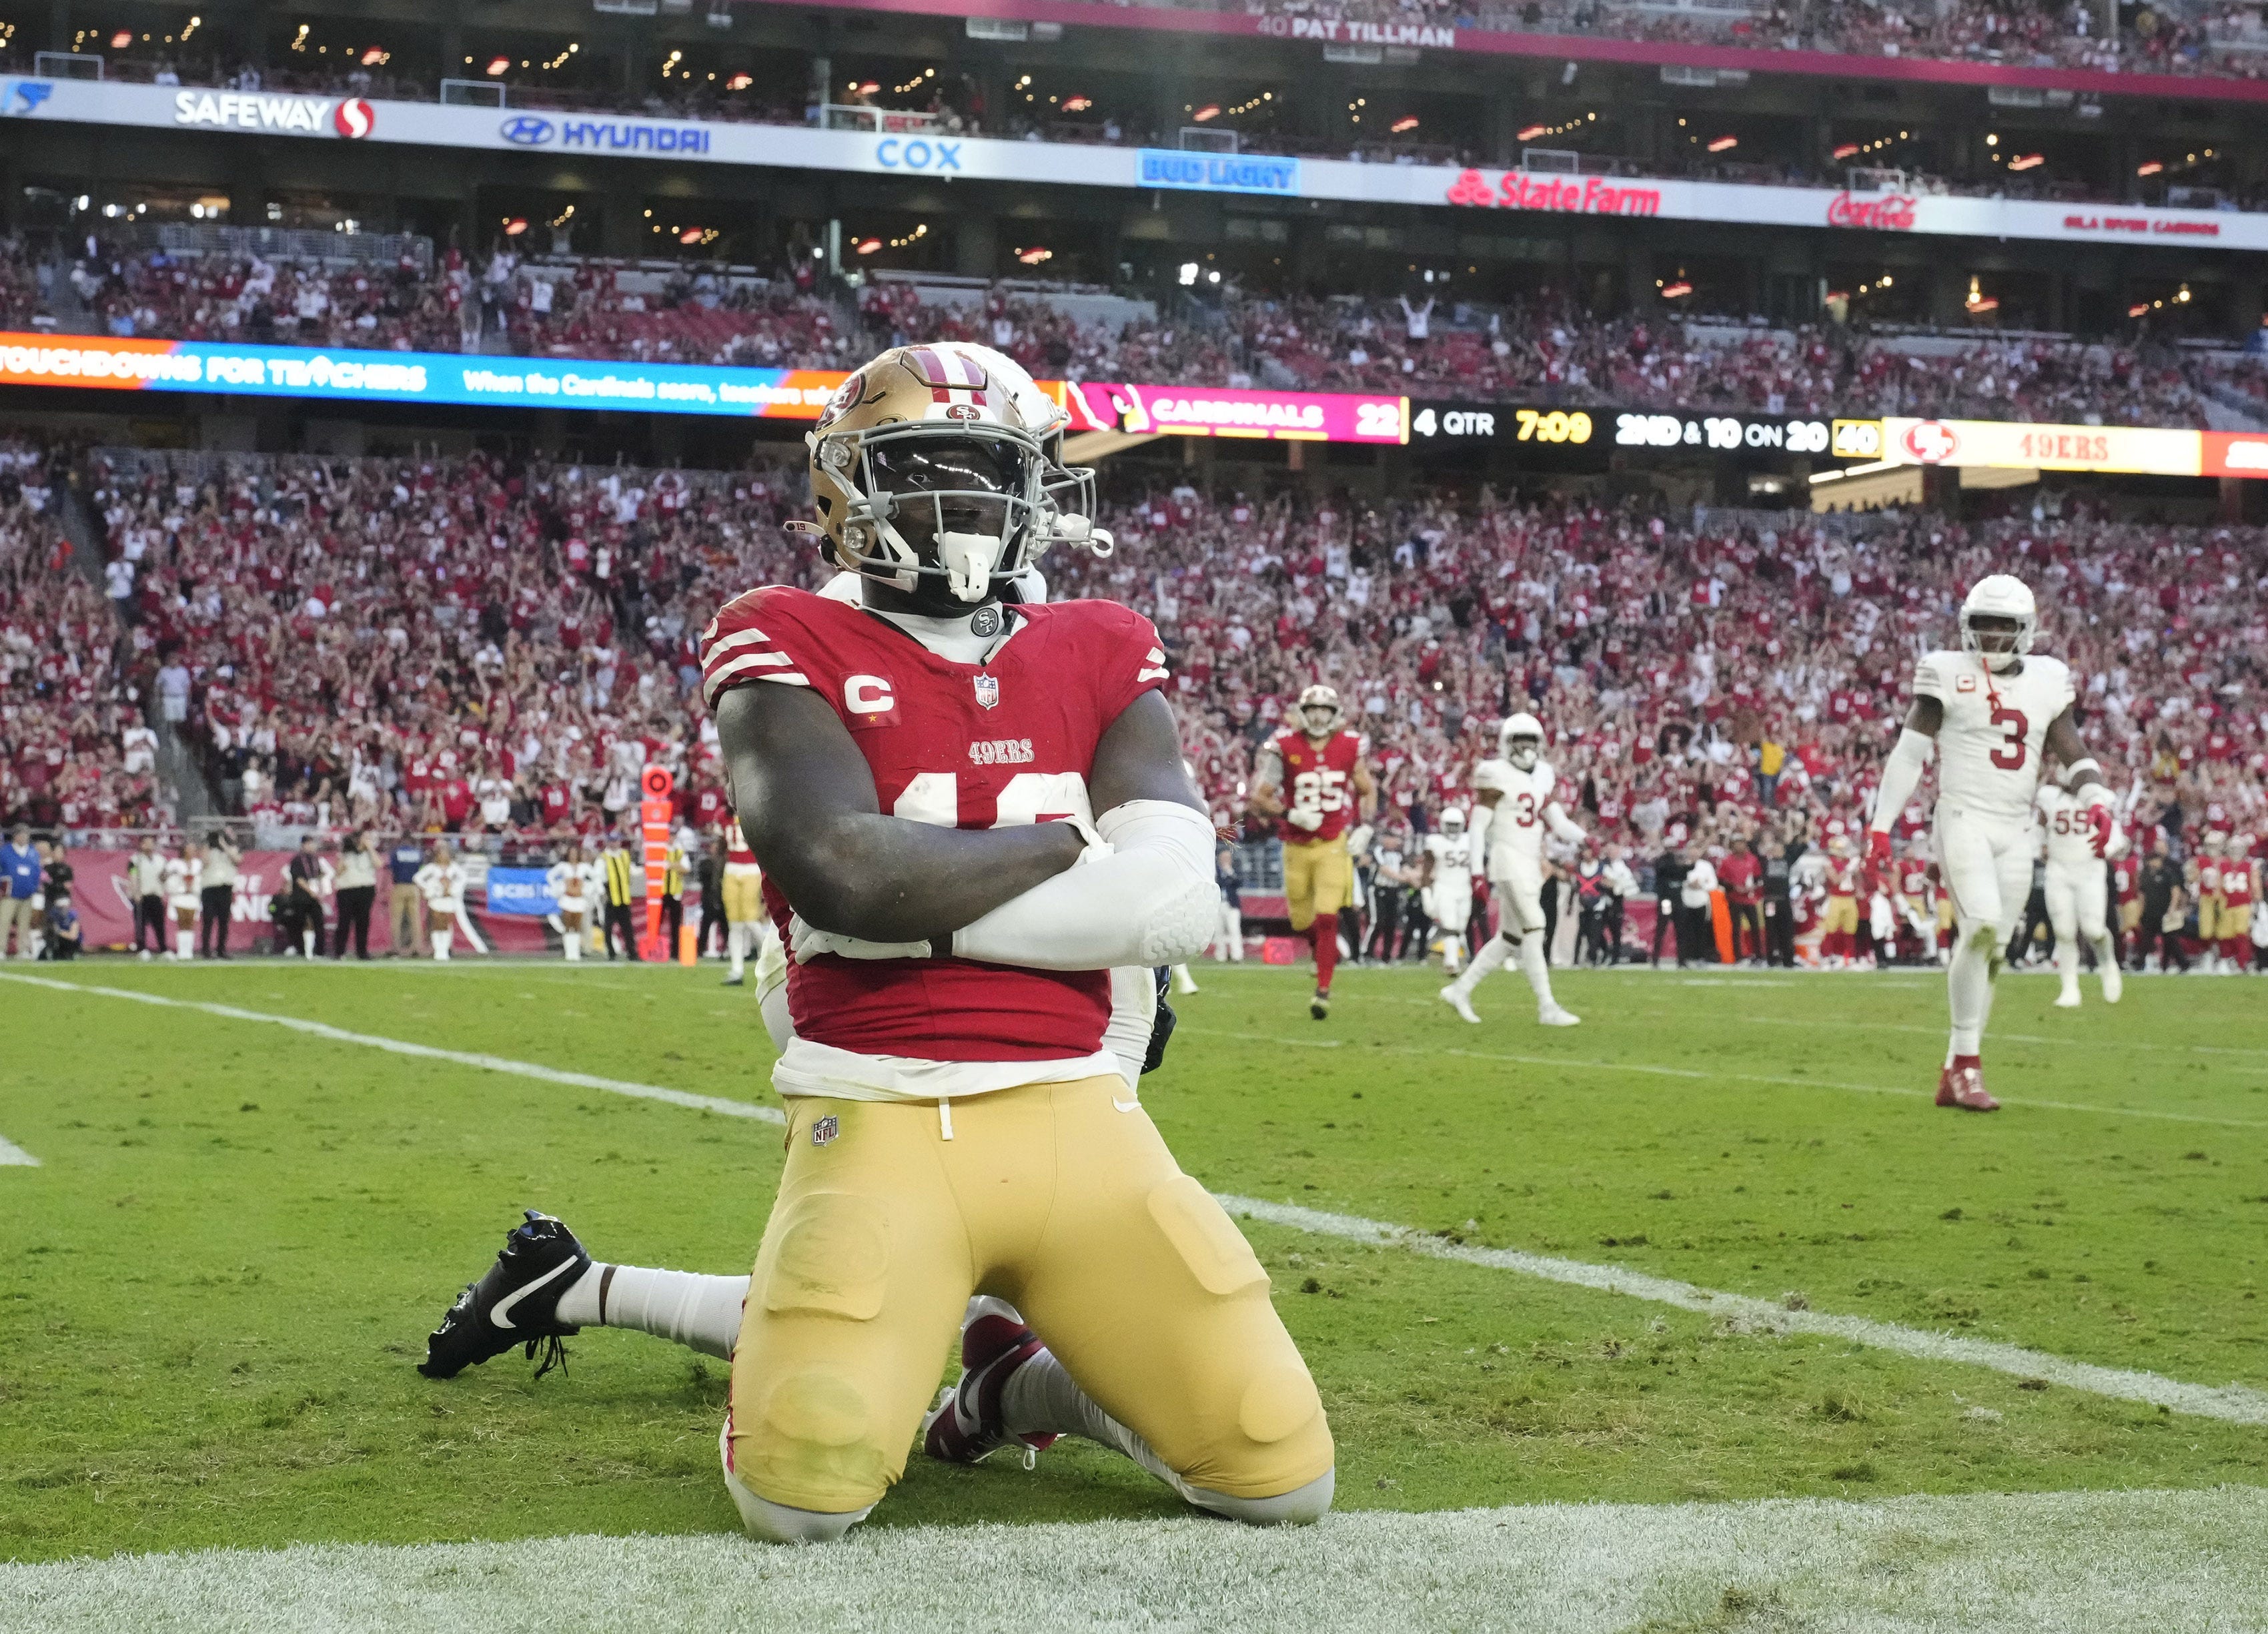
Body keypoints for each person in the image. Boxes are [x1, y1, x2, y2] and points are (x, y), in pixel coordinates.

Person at [419, 340, 1327, 1545]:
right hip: (884, 1104)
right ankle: (617, 1295)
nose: (962, 499)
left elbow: (1170, 904)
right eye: (926, 466)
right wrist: (1068, 845)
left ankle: (1007, 1386)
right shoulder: (781, 633)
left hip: (1083, 1114)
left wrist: (923, 892)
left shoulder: (1100, 639)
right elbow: (841, 872)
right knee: (805, 1485)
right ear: (846, 486)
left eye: (989, 467)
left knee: (1278, 1463)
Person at [1864, 573, 2117, 1112]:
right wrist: (1882, 825)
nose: (1994, 638)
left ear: (2026, 630)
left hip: (2016, 826)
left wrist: (2096, 796)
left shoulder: (2049, 679)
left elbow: (2069, 747)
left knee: (1996, 950)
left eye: (2005, 627)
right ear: (1966, 626)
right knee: (1978, 928)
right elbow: (1910, 755)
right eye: (1984, 626)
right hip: (1963, 817)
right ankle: (1968, 1066)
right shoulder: (1946, 672)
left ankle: (1958, 1067)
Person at [1440, 712, 1585, 1027]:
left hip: (1531, 861)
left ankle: (1460, 990)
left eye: (1530, 741)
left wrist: (1587, 840)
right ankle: (1547, 1006)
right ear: (1507, 744)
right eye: (1519, 741)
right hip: (1507, 857)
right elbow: (1478, 828)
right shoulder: (1494, 772)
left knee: (1510, 938)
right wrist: (1476, 872)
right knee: (1535, 925)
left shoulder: (1544, 774)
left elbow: (1558, 822)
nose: (1525, 748)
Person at [1249, 684, 1377, 1020]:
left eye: (1325, 710)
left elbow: (1366, 789)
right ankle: (1327, 952)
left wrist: (1366, 826)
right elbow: (1259, 797)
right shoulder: (1285, 745)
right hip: (1296, 844)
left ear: (1335, 715)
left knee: (1327, 914)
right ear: (1303, 714)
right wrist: (1289, 814)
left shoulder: (1350, 745)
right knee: (1301, 920)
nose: (1319, 716)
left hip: (1334, 842)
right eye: (1313, 710)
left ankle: (1323, 990)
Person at [2037, 779, 2124, 1007]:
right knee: (2064, 931)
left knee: (2093, 930)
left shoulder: (2100, 797)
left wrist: (2108, 849)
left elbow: (2117, 837)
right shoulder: (2048, 796)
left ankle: (2108, 964)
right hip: (2058, 869)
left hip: (2089, 870)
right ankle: (2070, 988)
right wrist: (2039, 846)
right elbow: (2037, 827)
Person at [1420, 807, 1476, 975]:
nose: (1452, 829)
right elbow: (1427, 870)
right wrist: (1425, 892)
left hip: (1465, 888)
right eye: (1449, 825)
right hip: (1444, 888)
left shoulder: (1470, 840)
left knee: (1459, 927)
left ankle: (1454, 958)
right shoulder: (1435, 842)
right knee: (1450, 925)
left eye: (1455, 825)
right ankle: (1451, 962)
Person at [718, 817, 765, 985]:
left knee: (750, 919)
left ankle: (770, 954)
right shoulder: (724, 818)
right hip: (731, 869)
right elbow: (720, 847)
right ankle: (737, 970)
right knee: (735, 925)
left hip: (751, 869)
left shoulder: (750, 812)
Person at [2137, 833, 2187, 973]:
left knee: (2171, 940)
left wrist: (2173, 908)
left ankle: (2180, 964)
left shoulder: (2168, 873)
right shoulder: (2145, 875)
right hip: (2150, 913)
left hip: (2165, 912)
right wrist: (2140, 911)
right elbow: (2142, 894)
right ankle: (2140, 965)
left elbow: (2176, 891)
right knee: (2146, 940)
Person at [414, 842, 468, 961]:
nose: (444, 856)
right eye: (441, 854)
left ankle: (445, 950)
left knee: (447, 925)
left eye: (446, 853)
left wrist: (454, 889)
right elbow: (417, 878)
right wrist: (429, 888)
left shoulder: (454, 868)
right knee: (436, 925)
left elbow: (464, 878)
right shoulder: (432, 868)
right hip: (436, 900)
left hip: (449, 900)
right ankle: (437, 950)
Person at [1718, 835, 1763, 964]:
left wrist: (1751, 888)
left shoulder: (1753, 860)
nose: (1740, 846)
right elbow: (1721, 879)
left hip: (1749, 899)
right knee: (1736, 928)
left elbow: (1758, 877)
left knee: (1755, 927)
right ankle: (1738, 956)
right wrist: (1734, 887)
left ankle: (1758, 955)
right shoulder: (1727, 861)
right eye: (1737, 843)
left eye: (1741, 843)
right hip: (1734, 899)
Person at [334, 830, 378, 959]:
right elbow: (338, 872)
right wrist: (343, 854)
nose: (368, 840)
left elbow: (378, 864)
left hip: (366, 889)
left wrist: (370, 848)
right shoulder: (347, 854)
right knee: (344, 921)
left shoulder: (369, 854)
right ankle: (339, 951)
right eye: (366, 838)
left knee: (363, 922)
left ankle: (362, 951)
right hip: (347, 889)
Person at [0, 824, 39, 958]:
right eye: (22, 834)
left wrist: (34, 887)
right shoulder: (5, 852)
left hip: (27, 894)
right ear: (15, 836)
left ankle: (22, 950)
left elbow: (37, 871)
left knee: (24, 925)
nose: (24, 837)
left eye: (26, 834)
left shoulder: (33, 852)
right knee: (4, 922)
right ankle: (1, 949)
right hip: (10, 894)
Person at [600, 833, 640, 961]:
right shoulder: (603, 858)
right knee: (608, 927)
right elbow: (599, 876)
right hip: (611, 897)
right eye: (612, 841)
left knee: (628, 928)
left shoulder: (624, 855)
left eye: (616, 841)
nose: (614, 843)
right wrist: (603, 892)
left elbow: (632, 871)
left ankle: (632, 953)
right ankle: (611, 953)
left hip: (624, 897)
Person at [200, 830, 240, 958]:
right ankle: (206, 950)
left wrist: (224, 845)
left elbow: (237, 860)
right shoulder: (208, 851)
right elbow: (204, 862)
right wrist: (208, 844)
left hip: (225, 888)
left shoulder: (232, 850)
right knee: (208, 920)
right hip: (209, 888)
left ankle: (221, 949)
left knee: (224, 921)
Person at [549, 843, 592, 962]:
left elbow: (595, 877)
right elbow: (550, 876)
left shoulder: (584, 867)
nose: (573, 856)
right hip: (567, 898)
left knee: (577, 926)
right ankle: (569, 952)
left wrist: (588, 889)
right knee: (568, 926)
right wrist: (558, 888)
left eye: (575, 853)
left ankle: (576, 952)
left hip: (579, 899)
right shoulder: (563, 866)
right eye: (571, 853)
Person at [286, 835, 326, 958]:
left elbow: (319, 876)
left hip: (314, 896)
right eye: (309, 844)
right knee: (299, 922)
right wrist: (310, 891)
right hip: (301, 896)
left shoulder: (315, 859)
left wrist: (320, 891)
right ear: (303, 845)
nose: (312, 847)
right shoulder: (297, 860)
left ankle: (320, 950)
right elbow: (298, 879)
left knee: (318, 921)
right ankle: (300, 949)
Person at [387, 834, 427, 957]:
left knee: (396, 919)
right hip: (414, 887)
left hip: (400, 886)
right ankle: (417, 947)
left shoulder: (396, 853)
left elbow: (391, 868)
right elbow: (421, 869)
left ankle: (396, 948)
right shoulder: (418, 853)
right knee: (415, 919)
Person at [1680, 846, 1720, 968]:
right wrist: (1689, 884)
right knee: (1686, 931)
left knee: (1701, 930)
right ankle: (1686, 957)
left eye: (1695, 850)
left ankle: (1701, 957)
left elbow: (1713, 884)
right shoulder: (1683, 865)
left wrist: (1701, 885)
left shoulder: (1706, 866)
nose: (1693, 853)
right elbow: (1678, 880)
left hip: (1702, 901)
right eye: (1691, 850)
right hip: (1686, 900)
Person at [129, 833, 167, 959]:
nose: (150, 845)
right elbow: (133, 876)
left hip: (156, 894)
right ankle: (142, 948)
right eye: (147, 843)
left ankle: (163, 949)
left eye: (152, 842)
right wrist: (136, 893)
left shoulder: (160, 859)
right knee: (141, 924)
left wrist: (166, 876)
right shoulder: (135, 860)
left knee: (159, 924)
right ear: (141, 845)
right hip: (142, 895)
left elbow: (163, 876)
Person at [164, 840, 202, 960]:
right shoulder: (175, 863)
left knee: (190, 923)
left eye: (194, 849)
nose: (192, 851)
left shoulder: (198, 863)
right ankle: (182, 951)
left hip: (193, 896)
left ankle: (188, 952)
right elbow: (163, 876)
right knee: (182, 922)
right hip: (179, 895)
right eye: (190, 849)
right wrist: (175, 876)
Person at [1211, 841, 1244, 962]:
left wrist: (1229, 872)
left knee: (1234, 930)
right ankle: (1221, 956)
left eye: (1228, 857)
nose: (1226, 859)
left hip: (1231, 904)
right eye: (1223, 857)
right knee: (1219, 931)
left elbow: (1239, 883)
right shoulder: (1215, 871)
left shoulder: (1234, 869)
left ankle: (1237, 955)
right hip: (1218, 904)